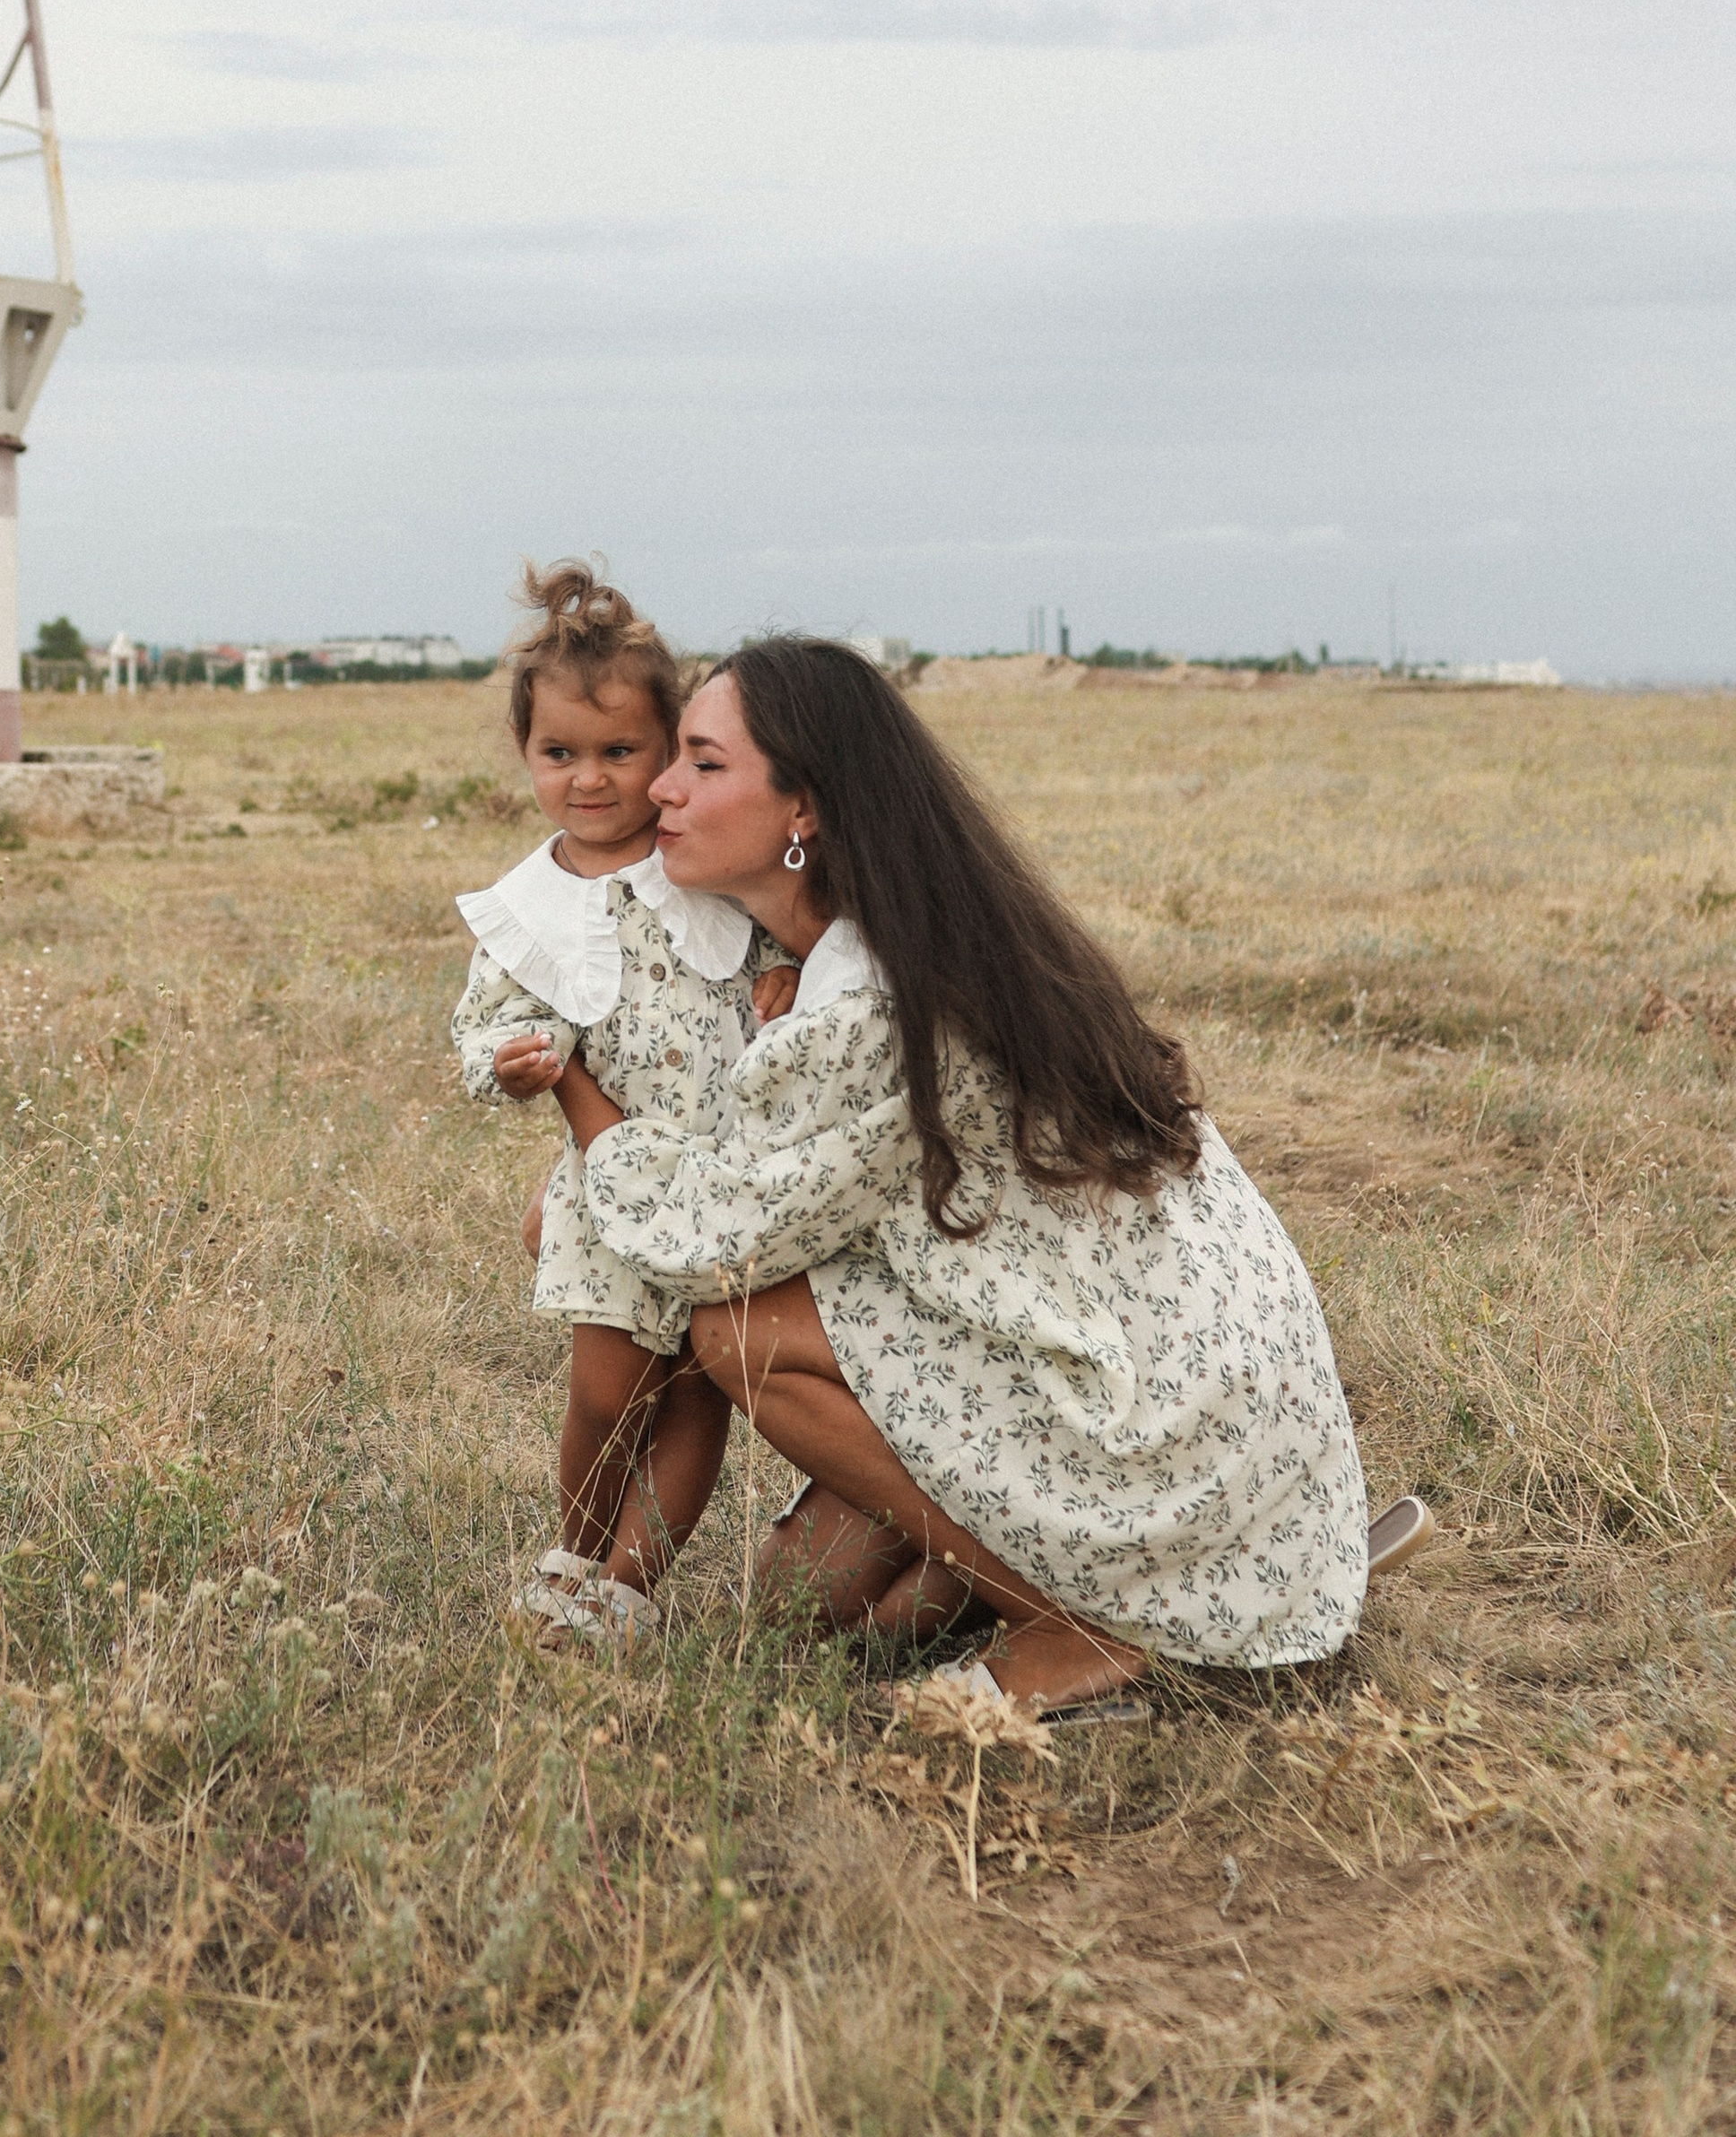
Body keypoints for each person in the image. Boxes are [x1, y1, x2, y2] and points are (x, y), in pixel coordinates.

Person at [506, 638, 1400, 1716]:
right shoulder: (882, 932)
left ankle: (1082, 1628)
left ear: (805, 810)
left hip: (1159, 1414)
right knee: (803, 1605)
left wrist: (575, 1104)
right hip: (1143, 1360)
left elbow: (713, 1242)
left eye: (703, 763)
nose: (659, 787)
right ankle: (1056, 1579)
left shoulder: (870, 996)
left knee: (734, 1331)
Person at [449, 564, 797, 1650]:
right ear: (525, 755)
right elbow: (484, 1024)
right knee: (608, 1395)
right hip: (611, 1192)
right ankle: (574, 1555)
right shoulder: (528, 907)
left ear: (668, 754)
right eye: (559, 754)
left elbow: (781, 935)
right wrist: (507, 1065)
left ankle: (631, 1589)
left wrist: (785, 976)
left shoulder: (705, 863)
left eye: (619, 751)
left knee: (697, 1393)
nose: (590, 779)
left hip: (731, 1183)